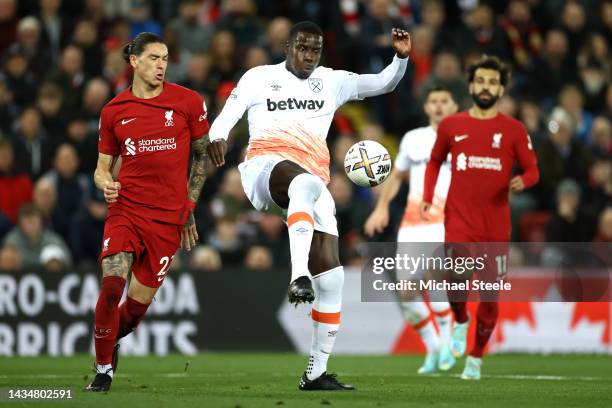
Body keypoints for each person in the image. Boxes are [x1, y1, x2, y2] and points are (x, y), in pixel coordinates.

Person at [208, 21, 411, 391]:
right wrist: (217, 136)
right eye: (302, 48)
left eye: (315, 50)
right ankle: (297, 274)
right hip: (264, 170)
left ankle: (315, 372)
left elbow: (383, 82)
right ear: (287, 46)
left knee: (332, 280)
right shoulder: (259, 77)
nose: (308, 56)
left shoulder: (332, 81)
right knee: (302, 182)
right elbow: (229, 112)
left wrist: (400, 58)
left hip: (313, 188)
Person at [86, 32, 210, 392]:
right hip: (125, 210)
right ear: (134, 61)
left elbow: (201, 156)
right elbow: (101, 167)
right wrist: (104, 182)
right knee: (111, 286)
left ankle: (112, 340)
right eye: (154, 58)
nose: (161, 65)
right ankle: (104, 369)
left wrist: (189, 207)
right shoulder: (113, 111)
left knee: (136, 309)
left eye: (165, 58)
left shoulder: (187, 102)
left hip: (167, 218)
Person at [421, 55, 539, 380]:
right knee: (455, 282)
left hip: (496, 227)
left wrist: (523, 181)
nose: (486, 87)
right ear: (471, 85)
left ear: (501, 89)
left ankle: (476, 358)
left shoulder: (513, 130)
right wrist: (429, 197)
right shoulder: (452, 125)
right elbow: (433, 162)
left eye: (493, 82)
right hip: (459, 220)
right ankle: (460, 319)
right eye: (481, 81)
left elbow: (533, 169)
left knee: (489, 296)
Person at [364, 85, 458, 374]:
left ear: (454, 106)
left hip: (446, 221)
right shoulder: (413, 139)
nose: (439, 105)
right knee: (407, 292)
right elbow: (397, 176)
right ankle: (433, 347)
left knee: (434, 275)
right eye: (433, 100)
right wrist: (380, 208)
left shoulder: (464, 139)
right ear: (426, 107)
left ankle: (446, 344)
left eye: (445, 100)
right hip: (412, 224)